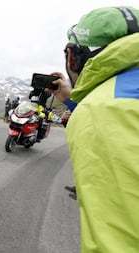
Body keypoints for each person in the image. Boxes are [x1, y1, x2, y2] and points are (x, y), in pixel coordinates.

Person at [47, 7, 139, 252]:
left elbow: (117, 241)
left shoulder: (99, 111)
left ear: (71, 57)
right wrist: (72, 99)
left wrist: (85, 105)